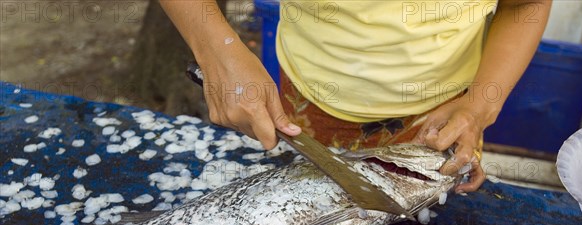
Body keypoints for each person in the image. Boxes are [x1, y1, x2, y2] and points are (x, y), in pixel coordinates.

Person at [159, 0, 551, 192]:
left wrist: (482, 104)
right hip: (309, 101)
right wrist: (216, 50)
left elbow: (526, 4)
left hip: (446, 119)